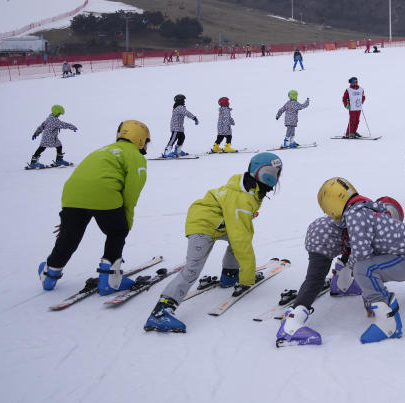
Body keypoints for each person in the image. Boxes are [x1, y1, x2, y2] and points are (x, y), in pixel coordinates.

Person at [144, 153, 283, 333]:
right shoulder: (243, 197)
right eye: (276, 173)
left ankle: (229, 275)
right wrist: (247, 278)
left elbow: (240, 234)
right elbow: (241, 238)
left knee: (238, 239)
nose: (278, 178)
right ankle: (161, 311)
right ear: (266, 174)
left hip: (220, 223)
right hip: (202, 225)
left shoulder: (251, 189)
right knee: (193, 268)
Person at [306, 177, 405, 343]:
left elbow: (361, 255)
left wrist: (353, 275)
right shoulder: (365, 209)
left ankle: (388, 323)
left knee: (363, 269)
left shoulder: (355, 214)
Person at [275, 195, 405, 346]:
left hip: (322, 229)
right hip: (324, 238)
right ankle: (291, 323)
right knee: (316, 279)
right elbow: (362, 267)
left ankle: (341, 284)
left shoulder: (364, 214)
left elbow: (354, 251)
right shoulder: (370, 225)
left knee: (353, 249)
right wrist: (369, 300)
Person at [38, 121, 150, 294]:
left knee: (69, 237)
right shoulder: (136, 156)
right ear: (141, 140)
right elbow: (131, 193)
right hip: (104, 193)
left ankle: (50, 274)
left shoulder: (101, 151)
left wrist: (68, 222)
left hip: (71, 194)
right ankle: (110, 280)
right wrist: (124, 224)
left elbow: (84, 180)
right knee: (116, 232)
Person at [162, 94, 198, 158]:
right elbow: (187, 113)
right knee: (173, 138)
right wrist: (194, 118)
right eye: (183, 100)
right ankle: (166, 152)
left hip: (180, 127)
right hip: (176, 127)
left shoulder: (179, 107)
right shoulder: (179, 107)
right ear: (180, 101)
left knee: (182, 137)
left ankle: (178, 151)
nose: (184, 101)